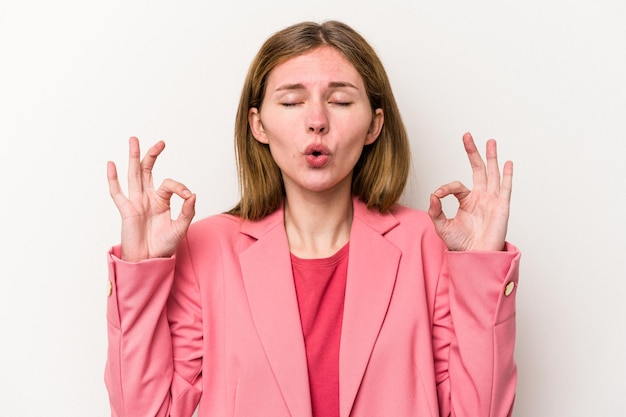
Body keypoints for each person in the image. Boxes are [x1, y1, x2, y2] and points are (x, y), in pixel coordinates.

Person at [105, 20, 520, 417]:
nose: (317, 120)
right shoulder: (207, 248)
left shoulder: (427, 245)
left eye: (340, 101)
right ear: (259, 125)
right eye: (291, 101)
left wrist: (480, 267)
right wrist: (140, 269)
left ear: (375, 125)